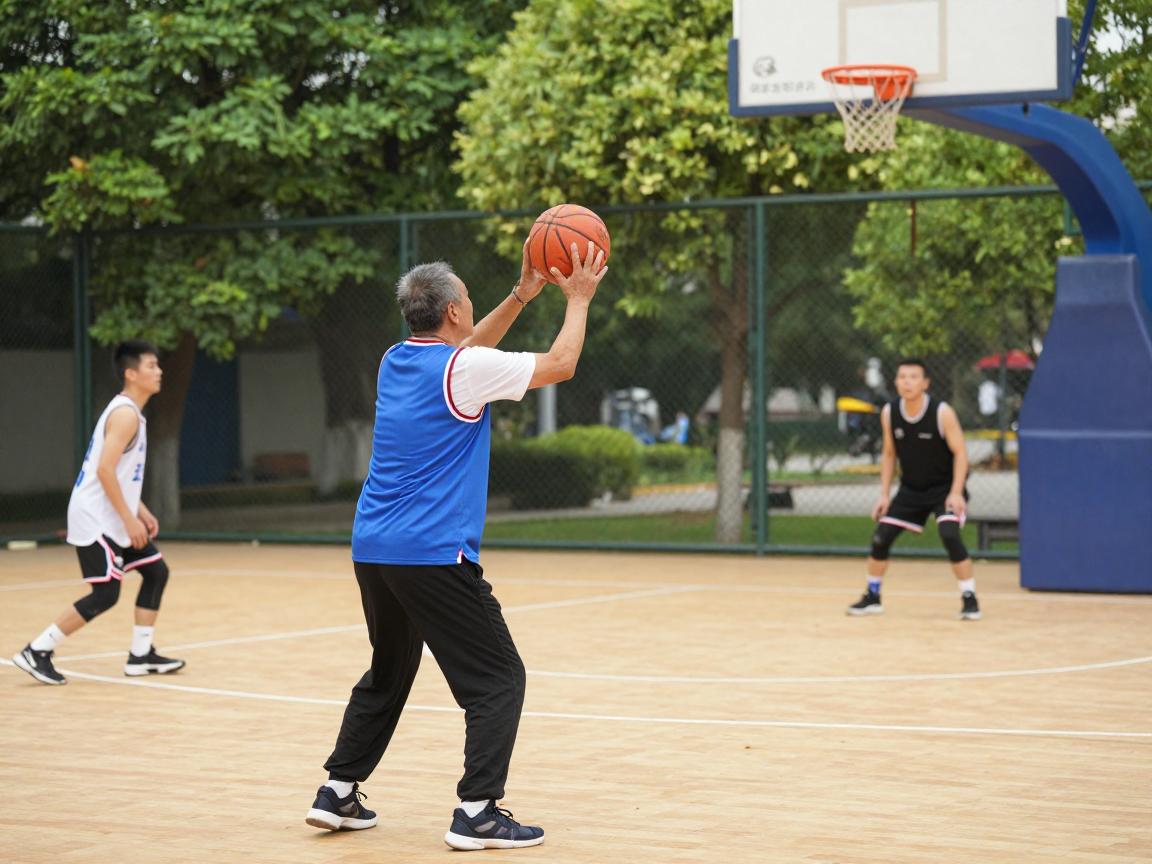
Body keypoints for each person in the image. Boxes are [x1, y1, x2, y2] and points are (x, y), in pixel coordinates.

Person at [304, 240, 607, 850]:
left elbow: (468, 351)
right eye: (468, 298)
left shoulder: (397, 359)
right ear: (452, 313)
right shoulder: (464, 370)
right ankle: (477, 811)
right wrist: (577, 298)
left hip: (374, 548)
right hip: (432, 553)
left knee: (389, 670)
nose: (472, 306)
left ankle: (337, 792)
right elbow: (562, 363)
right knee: (499, 679)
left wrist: (523, 294)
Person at [11, 340, 186, 685]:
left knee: (156, 572)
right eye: (152, 366)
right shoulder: (124, 415)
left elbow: (118, 472)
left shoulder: (133, 412)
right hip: (96, 516)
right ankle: (37, 650)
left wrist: (141, 510)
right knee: (105, 594)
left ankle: (140, 656)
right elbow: (105, 471)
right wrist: (128, 518)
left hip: (115, 513)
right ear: (130, 373)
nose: (159, 371)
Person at [846, 358, 981, 621]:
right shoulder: (890, 412)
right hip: (911, 489)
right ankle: (873, 597)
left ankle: (969, 598)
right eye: (902, 377)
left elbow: (961, 453)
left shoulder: (942, 412)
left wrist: (956, 491)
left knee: (950, 534)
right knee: (880, 538)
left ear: (925, 383)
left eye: (913, 377)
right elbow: (888, 454)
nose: (906, 382)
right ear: (895, 382)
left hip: (944, 488)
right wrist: (884, 495)